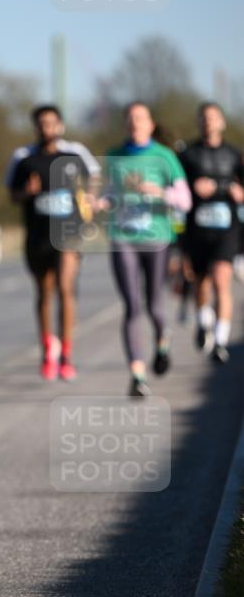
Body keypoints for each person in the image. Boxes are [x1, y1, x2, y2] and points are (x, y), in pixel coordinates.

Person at [103, 102, 192, 396]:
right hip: (123, 236)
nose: (134, 123)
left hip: (156, 237)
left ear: (151, 124)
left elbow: (185, 200)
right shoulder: (115, 156)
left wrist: (160, 192)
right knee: (131, 305)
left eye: (140, 118)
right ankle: (137, 375)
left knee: (154, 304)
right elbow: (109, 194)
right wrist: (100, 203)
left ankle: (162, 339)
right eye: (129, 118)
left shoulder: (165, 157)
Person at [9, 105, 99, 381]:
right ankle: (49, 347)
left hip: (68, 235)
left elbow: (94, 177)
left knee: (65, 288)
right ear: (36, 127)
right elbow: (12, 195)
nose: (47, 128)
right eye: (42, 124)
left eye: (52, 123)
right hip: (37, 237)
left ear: (60, 126)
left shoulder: (74, 155)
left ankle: (67, 352)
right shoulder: (25, 159)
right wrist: (27, 191)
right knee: (45, 293)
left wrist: (90, 199)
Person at [179, 102, 244, 362]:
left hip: (226, 230)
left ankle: (220, 341)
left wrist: (237, 192)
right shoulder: (188, 155)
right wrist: (192, 189)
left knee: (221, 282)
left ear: (222, 122)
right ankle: (204, 321)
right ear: (199, 122)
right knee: (201, 283)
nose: (209, 122)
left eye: (214, 118)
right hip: (197, 229)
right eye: (204, 118)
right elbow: (177, 191)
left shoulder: (234, 154)